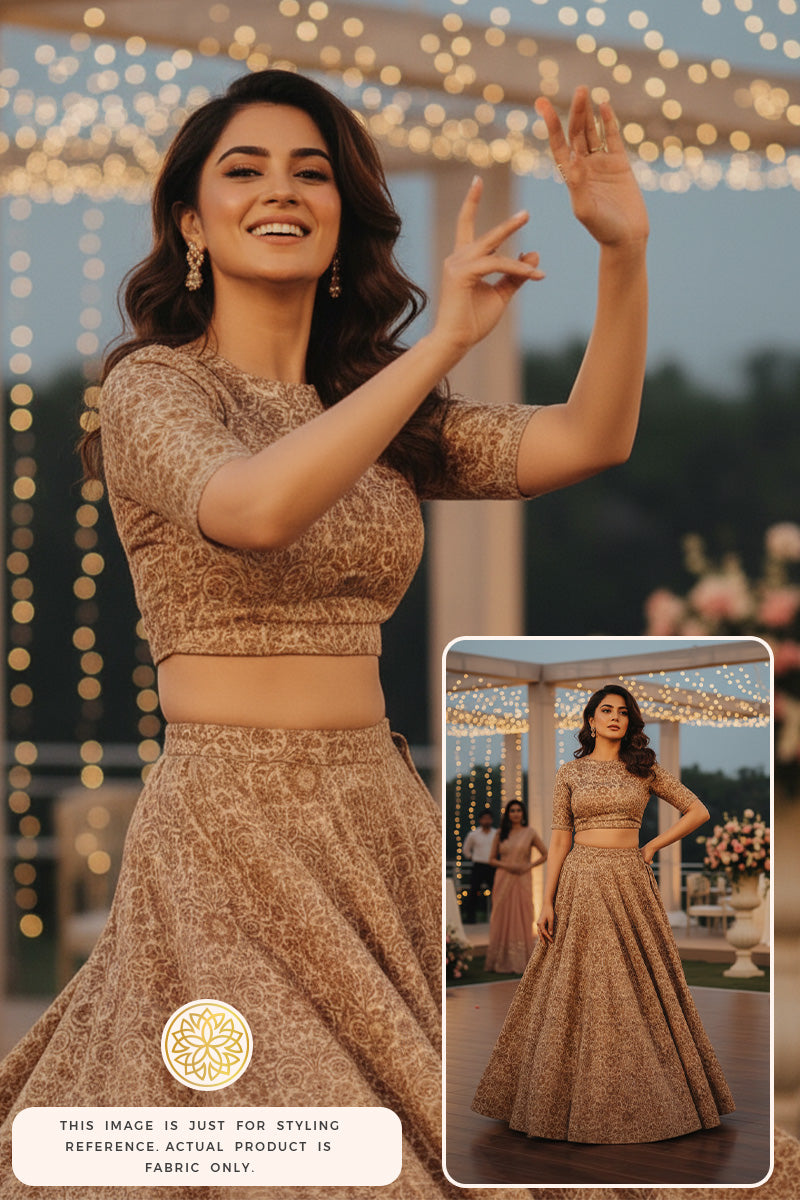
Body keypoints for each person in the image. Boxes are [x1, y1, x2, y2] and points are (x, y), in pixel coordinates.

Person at [0, 69, 650, 1200]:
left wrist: (622, 253)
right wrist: (443, 341)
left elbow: (586, 440)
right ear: (192, 223)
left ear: (343, 215)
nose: (280, 190)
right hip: (224, 833)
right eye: (241, 170)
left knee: (444, 1153)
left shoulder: (379, 405)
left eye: (311, 171)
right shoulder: (153, 389)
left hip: (374, 825)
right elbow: (251, 510)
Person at [472, 684, 736, 1145]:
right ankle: (558, 1096)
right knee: (577, 983)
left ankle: (651, 1090)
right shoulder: (568, 773)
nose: (614, 717)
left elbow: (698, 810)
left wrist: (652, 846)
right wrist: (547, 900)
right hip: (580, 879)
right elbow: (558, 841)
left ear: (629, 722)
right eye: (605, 710)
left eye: (622, 712)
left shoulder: (644, 769)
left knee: (639, 983)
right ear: (591, 720)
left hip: (630, 879)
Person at [485, 800, 547, 973]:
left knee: (523, 914)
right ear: (508, 814)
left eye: (519, 810)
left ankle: (521, 960)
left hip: (522, 878)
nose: (516, 813)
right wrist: (509, 866)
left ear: (523, 813)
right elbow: (491, 859)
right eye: (512, 810)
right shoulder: (500, 833)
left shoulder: (530, 833)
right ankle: (500, 960)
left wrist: (528, 866)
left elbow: (545, 854)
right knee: (502, 916)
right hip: (503, 878)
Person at [462, 809, 497, 924]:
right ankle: (471, 917)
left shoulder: (496, 834)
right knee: (473, 892)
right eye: (484, 818)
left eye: (488, 818)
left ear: (491, 820)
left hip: (492, 866)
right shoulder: (474, 834)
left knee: (496, 892)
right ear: (480, 820)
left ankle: (496, 918)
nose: (486, 821)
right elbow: (466, 849)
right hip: (478, 865)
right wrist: (472, 857)